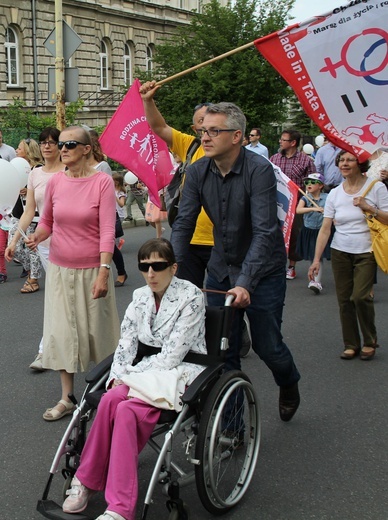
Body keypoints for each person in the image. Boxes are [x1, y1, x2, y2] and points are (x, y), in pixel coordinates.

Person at [171, 102, 301, 422]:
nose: (205, 137)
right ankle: (232, 427)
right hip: (220, 270)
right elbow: (184, 222)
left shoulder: (259, 170)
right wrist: (170, 262)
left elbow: (264, 231)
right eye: (203, 130)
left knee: (268, 348)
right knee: (222, 351)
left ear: (237, 136)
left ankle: (288, 382)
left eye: (214, 131)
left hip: (263, 272)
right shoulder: (198, 170)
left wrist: (245, 281)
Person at [62, 238, 206, 520]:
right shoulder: (140, 296)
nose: (150, 273)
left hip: (180, 371)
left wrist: (131, 376)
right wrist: (117, 377)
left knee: (126, 411)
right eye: (144, 266)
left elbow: (173, 355)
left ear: (173, 267)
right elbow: (126, 341)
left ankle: (121, 507)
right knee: (109, 399)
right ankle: (88, 481)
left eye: (158, 266)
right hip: (145, 371)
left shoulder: (192, 296)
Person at [25, 125, 120, 420]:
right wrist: (36, 236)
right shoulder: (55, 183)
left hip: (93, 269)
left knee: (100, 334)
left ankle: (107, 395)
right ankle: (66, 398)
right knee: (62, 333)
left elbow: (107, 231)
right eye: (61, 145)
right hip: (60, 269)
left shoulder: (102, 182)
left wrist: (105, 271)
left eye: (69, 144)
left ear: (86, 149)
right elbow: (48, 222)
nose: (62, 149)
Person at [308, 150, 388, 361]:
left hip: (367, 251)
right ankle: (351, 344)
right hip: (340, 250)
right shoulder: (335, 193)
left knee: (360, 297)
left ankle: (369, 340)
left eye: (349, 160)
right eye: (341, 160)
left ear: (359, 164)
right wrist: (316, 260)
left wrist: (368, 207)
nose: (344, 163)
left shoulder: (376, 187)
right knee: (344, 300)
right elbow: (325, 228)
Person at [140, 82, 214, 289]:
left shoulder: (234, 155)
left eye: (212, 120)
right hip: (189, 240)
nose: (207, 127)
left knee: (223, 302)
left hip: (222, 244)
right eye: (202, 121)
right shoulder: (189, 145)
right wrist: (148, 100)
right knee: (189, 299)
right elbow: (159, 127)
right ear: (195, 128)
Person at [5, 127, 62, 370]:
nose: (47, 146)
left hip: (71, 245)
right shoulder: (36, 174)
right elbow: (30, 211)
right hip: (46, 245)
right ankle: (45, 350)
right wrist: (14, 240)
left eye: (52, 142)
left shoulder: (69, 173)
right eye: (44, 142)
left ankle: (50, 348)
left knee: (63, 299)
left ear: (61, 146)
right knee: (57, 298)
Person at [270, 129, 316, 280]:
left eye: (283, 139)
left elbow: (312, 184)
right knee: (274, 232)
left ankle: (292, 266)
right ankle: (276, 265)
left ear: (293, 143)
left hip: (296, 203)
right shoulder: (274, 159)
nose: (280, 142)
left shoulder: (305, 160)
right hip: (276, 201)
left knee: (293, 233)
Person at [7, 138, 44, 292]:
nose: (16, 150)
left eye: (19, 148)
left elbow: (42, 193)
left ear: (28, 151)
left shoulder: (40, 169)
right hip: (19, 214)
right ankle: (31, 269)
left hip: (34, 216)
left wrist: (28, 190)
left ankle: (34, 278)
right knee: (13, 246)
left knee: (31, 247)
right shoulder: (18, 168)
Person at [296, 173, 330, 294]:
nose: (309, 185)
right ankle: (314, 280)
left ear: (320, 185)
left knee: (319, 256)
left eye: (312, 182)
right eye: (307, 182)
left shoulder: (328, 197)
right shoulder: (305, 197)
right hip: (309, 230)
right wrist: (313, 208)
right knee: (313, 256)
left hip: (322, 230)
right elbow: (298, 210)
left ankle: (316, 281)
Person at [112, 172, 128, 287]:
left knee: (111, 245)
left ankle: (121, 272)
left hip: (117, 215)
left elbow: (122, 204)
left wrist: (115, 197)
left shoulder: (120, 192)